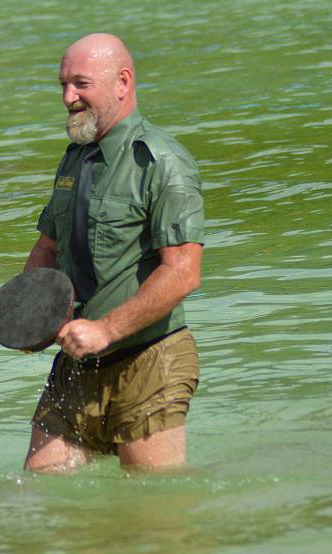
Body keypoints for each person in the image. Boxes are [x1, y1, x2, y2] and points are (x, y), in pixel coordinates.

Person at [23, 33, 204, 473]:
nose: (68, 97)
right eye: (63, 84)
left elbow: (183, 272)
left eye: (81, 84)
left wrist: (105, 329)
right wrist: (33, 319)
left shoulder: (163, 161)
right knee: (35, 495)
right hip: (76, 365)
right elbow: (48, 248)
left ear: (122, 82)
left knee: (154, 516)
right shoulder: (73, 159)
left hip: (149, 362)